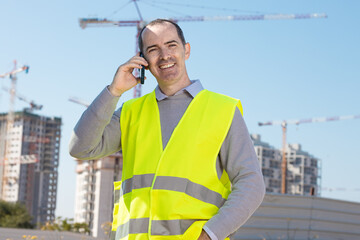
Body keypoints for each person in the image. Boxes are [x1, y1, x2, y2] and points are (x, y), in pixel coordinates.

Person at [69, 19, 265, 240]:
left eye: (171, 45)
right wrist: (114, 91)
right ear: (143, 61)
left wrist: (210, 235)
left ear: (186, 50)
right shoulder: (131, 111)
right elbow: (80, 148)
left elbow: (251, 184)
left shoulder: (223, 110)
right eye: (153, 49)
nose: (164, 55)